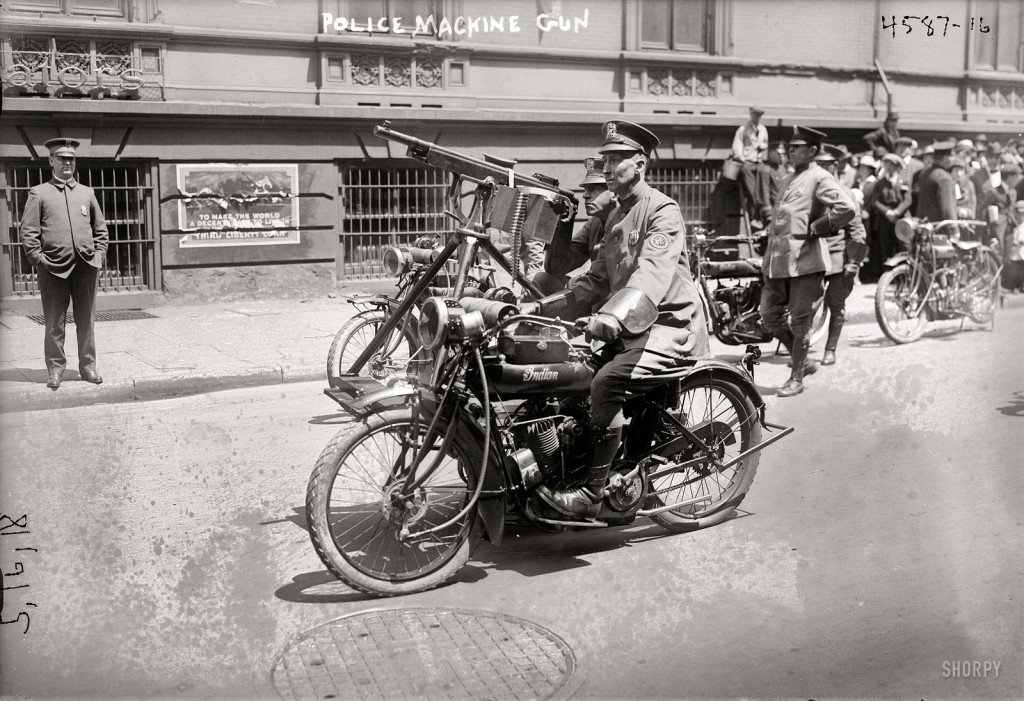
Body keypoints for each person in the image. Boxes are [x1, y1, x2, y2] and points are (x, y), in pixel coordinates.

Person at [524, 120, 709, 516]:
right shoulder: (614, 216)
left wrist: (611, 318)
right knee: (567, 374)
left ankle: (592, 492)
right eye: (604, 160)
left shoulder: (661, 209)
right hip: (631, 328)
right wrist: (538, 309)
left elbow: (651, 274)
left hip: (669, 326)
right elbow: (593, 282)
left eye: (615, 160)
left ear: (639, 164)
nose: (606, 169)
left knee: (606, 382)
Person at [761, 126, 855, 397]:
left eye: (796, 147)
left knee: (801, 321)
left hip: (806, 262)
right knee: (769, 315)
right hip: (778, 263)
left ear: (812, 150)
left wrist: (818, 227)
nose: (790, 151)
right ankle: (803, 360)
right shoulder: (789, 178)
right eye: (790, 147)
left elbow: (846, 208)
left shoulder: (820, 176)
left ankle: (796, 378)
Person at [20, 138, 108, 390]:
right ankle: (55, 370)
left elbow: (100, 230)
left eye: (71, 159)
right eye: (61, 158)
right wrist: (38, 258)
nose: (67, 162)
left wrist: (98, 257)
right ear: (51, 161)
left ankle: (88, 366)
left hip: (85, 268)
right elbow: (28, 232)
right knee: (54, 323)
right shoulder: (39, 193)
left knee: (86, 321)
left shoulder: (87, 193)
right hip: (52, 269)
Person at [532, 156, 615, 295]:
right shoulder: (595, 223)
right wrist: (564, 220)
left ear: (614, 191)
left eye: (594, 189)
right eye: (585, 189)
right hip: (593, 291)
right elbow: (556, 269)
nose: (585, 196)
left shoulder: (627, 219)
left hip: (614, 298)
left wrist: (576, 281)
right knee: (541, 280)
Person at [817, 147, 868, 366]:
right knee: (806, 306)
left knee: (835, 304)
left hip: (838, 261)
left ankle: (830, 349)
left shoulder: (845, 194)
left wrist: (853, 262)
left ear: (834, 167)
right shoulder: (814, 194)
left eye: (823, 166)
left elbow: (857, 231)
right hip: (814, 259)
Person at [865, 153, 912, 280]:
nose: (887, 167)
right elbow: (875, 202)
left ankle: (904, 277)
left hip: (901, 220)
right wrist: (887, 213)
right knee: (885, 248)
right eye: (886, 164)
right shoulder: (880, 184)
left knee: (904, 247)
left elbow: (907, 200)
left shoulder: (903, 181)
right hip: (885, 220)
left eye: (890, 165)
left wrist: (896, 212)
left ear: (896, 166)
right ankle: (887, 277)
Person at [731, 106, 770, 222]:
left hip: (759, 162)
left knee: (767, 173)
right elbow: (737, 146)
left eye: (758, 115)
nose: (756, 117)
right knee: (752, 189)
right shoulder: (743, 129)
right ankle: (756, 212)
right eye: (754, 115)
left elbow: (765, 144)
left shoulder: (763, 129)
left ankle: (767, 208)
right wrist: (742, 159)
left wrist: (762, 150)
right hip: (747, 161)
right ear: (751, 115)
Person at [917, 139, 959, 236]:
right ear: (945, 158)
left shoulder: (924, 173)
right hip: (940, 232)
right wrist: (954, 230)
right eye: (951, 156)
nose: (953, 159)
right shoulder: (944, 178)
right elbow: (947, 208)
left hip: (924, 228)